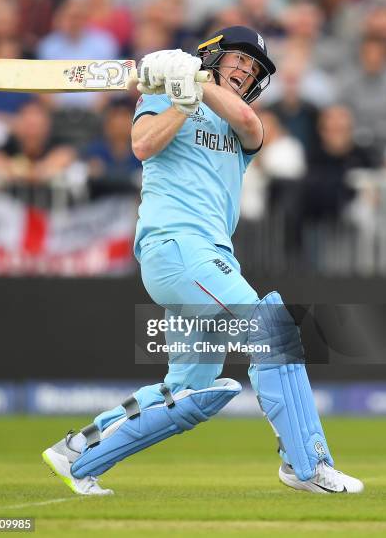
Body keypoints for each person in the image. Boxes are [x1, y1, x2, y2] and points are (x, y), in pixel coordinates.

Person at [42, 26, 364, 495]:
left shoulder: (240, 121)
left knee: (190, 392)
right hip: (175, 248)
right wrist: (181, 99)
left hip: (210, 259)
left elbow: (253, 128)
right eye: (239, 60)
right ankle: (307, 465)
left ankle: (79, 452)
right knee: (271, 325)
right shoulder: (161, 101)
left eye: (253, 69)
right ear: (212, 56)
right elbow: (143, 145)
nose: (246, 71)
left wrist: (195, 81)